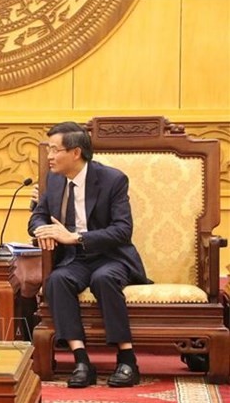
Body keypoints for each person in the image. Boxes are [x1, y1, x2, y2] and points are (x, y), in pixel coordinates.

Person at [28, 121, 150, 388]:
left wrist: (76, 238)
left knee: (103, 279)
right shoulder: (54, 179)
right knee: (57, 280)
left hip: (111, 256)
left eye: (54, 150)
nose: (49, 156)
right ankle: (81, 361)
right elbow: (37, 217)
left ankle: (128, 360)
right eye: (48, 149)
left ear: (75, 152)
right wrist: (44, 231)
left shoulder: (112, 180)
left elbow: (122, 231)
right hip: (75, 260)